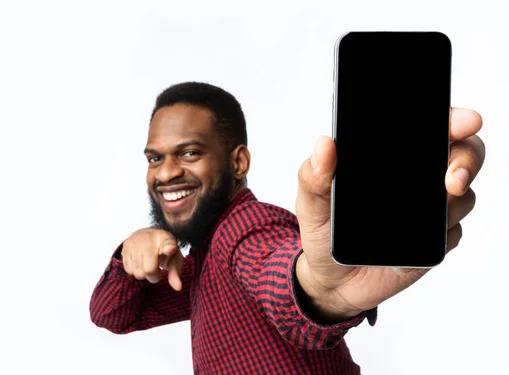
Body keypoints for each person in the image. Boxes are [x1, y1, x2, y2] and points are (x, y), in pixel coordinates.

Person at [89, 81, 486, 375]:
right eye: (154, 159)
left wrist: (317, 292)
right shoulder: (198, 264)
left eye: (189, 153)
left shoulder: (247, 229)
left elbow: (277, 274)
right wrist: (129, 253)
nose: (167, 172)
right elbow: (113, 314)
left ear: (239, 163)